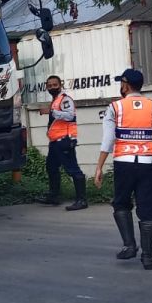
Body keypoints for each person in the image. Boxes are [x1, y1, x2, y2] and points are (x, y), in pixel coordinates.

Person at [93, 69, 152, 270]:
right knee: (149, 209)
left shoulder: (115, 107)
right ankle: (148, 257)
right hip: (147, 165)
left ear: (125, 85)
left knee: (121, 204)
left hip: (124, 164)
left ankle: (129, 245)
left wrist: (99, 167)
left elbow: (108, 139)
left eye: (121, 83)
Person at [37, 75, 88, 210]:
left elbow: (70, 115)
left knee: (72, 169)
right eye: (49, 85)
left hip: (64, 140)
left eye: (54, 85)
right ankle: (54, 196)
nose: (52, 87)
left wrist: (52, 112)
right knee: (51, 168)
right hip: (55, 142)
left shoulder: (65, 99)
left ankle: (82, 200)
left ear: (60, 85)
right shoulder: (55, 100)